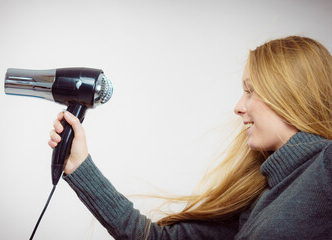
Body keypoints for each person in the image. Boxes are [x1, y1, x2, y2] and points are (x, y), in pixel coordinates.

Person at [49, 36, 332, 239]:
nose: (239, 107)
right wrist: (79, 165)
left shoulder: (325, 168)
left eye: (250, 90)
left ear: (289, 92)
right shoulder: (259, 199)